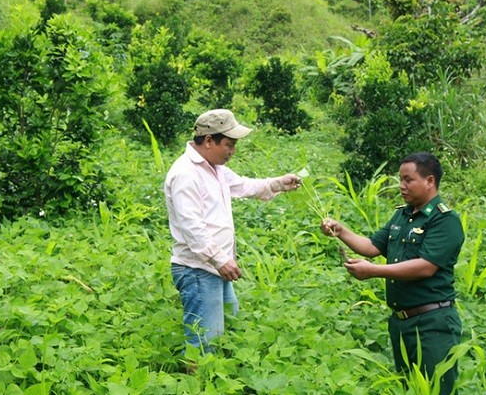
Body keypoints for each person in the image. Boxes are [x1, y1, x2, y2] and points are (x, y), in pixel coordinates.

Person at [320, 151, 464, 395]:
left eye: (409, 180)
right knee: (408, 388)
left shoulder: (444, 220)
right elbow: (373, 247)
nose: (402, 186)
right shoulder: (402, 214)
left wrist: (373, 271)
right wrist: (341, 230)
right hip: (402, 322)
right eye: (400, 179)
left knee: (435, 389)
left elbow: (425, 266)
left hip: (432, 323)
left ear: (430, 181)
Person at [164, 108, 300, 354]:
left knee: (230, 326)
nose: (232, 151)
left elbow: (244, 185)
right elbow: (192, 227)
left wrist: (278, 183)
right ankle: (196, 386)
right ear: (208, 141)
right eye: (229, 144)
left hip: (216, 267)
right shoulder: (186, 174)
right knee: (204, 341)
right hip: (199, 269)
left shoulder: (213, 167)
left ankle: (220, 376)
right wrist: (220, 260)